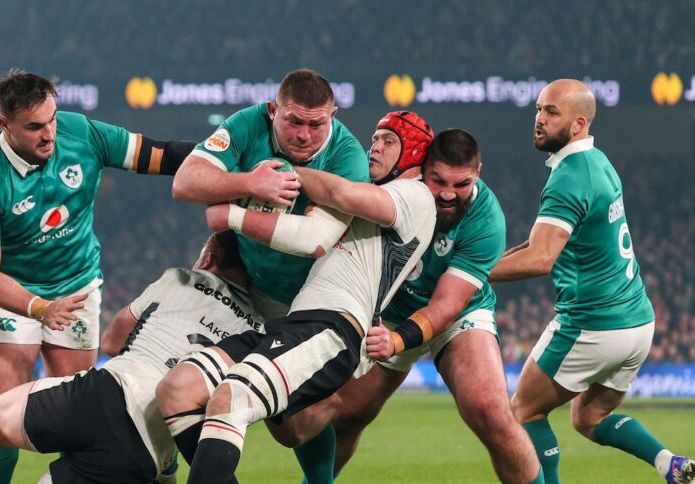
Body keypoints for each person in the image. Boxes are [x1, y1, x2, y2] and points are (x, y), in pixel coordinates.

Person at [157, 126, 452, 484]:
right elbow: (312, 227)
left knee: (233, 397)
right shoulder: (365, 196)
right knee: (178, 388)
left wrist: (264, 184)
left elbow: (329, 208)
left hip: (333, 326)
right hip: (296, 319)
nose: (375, 147)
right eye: (375, 138)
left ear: (414, 153)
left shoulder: (414, 194)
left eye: (389, 141)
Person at [0, 69, 195, 483]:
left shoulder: (79, 132)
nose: (49, 133)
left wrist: (230, 160)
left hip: (76, 291)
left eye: (52, 119)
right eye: (34, 127)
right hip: (12, 297)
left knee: (78, 418)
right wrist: (40, 308)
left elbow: (158, 155)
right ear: (4, 124)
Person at [0, 231, 264, 484]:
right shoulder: (259, 331)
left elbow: (111, 340)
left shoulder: (181, 279)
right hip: (149, 451)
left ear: (208, 258)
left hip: (106, 393)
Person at [488, 79, 695, 484]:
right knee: (589, 417)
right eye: (538, 109)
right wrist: (487, 262)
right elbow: (538, 243)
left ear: (578, 123)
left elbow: (541, 258)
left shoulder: (570, 177)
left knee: (524, 410)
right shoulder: (598, 162)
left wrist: (470, 272)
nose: (539, 119)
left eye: (551, 112)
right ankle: (668, 464)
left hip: (593, 325)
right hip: (638, 324)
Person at [171, 67, 369, 481]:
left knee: (290, 427)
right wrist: (251, 183)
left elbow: (315, 240)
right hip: (248, 289)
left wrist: (230, 215)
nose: (304, 135)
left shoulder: (347, 157)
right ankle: (161, 464)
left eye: (316, 124)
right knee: (179, 381)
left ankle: (323, 421)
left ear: (333, 116)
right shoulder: (247, 124)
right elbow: (185, 183)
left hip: (310, 304)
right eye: (293, 121)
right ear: (272, 110)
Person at [329, 122, 542, 483]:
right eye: (438, 181)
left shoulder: (486, 218)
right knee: (347, 416)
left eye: (461, 185)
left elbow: (446, 306)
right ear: (422, 168)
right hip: (390, 313)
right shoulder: (392, 189)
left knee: (490, 412)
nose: (447, 194)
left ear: (478, 173)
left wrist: (396, 341)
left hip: (459, 313)